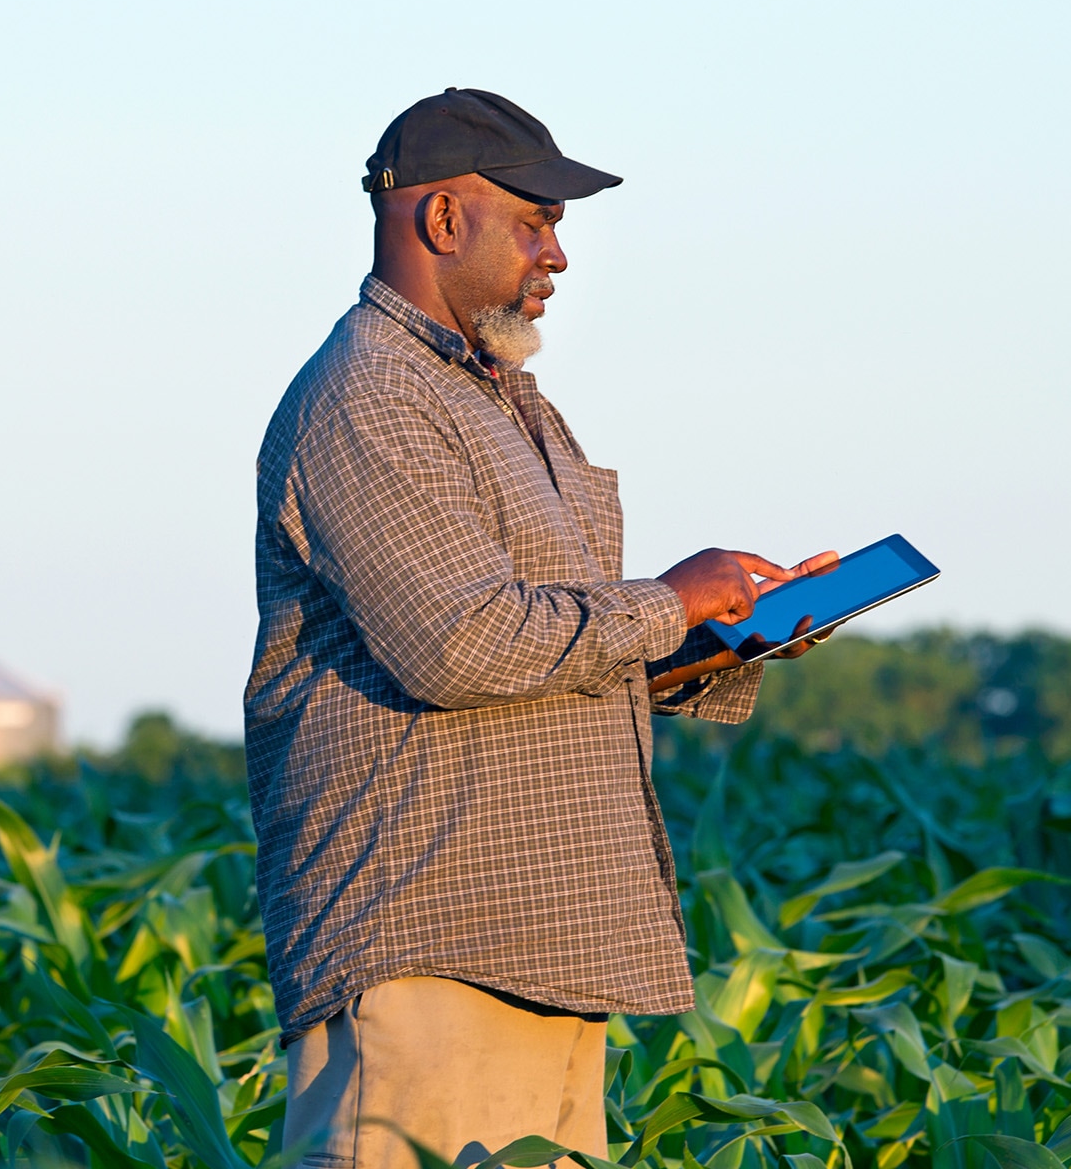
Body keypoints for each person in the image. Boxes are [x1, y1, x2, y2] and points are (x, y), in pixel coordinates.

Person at [245, 88, 834, 1169]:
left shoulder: (500, 398)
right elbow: (458, 644)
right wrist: (669, 600)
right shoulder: (371, 395)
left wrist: (727, 634)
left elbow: (551, 650)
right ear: (441, 222)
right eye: (537, 220)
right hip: (431, 943)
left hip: (545, 939)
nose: (556, 254)